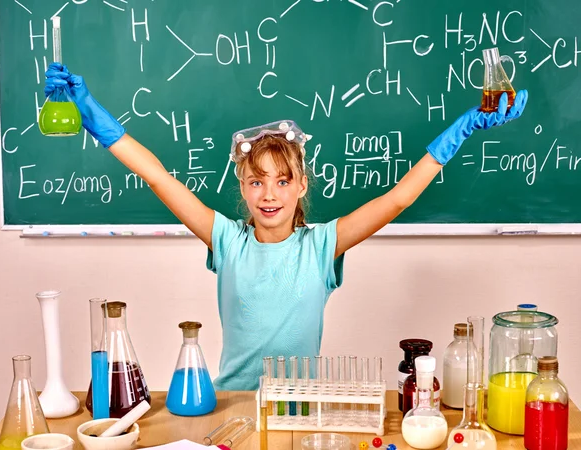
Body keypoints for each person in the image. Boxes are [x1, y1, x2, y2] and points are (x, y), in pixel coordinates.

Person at [45, 63, 528, 390]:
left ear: (301, 186)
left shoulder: (321, 247)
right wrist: (94, 117)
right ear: (243, 187)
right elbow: (154, 174)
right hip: (232, 400)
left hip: (303, 406)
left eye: (281, 181)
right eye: (256, 182)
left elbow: (397, 199)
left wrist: (458, 133)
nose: (268, 194)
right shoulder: (226, 240)